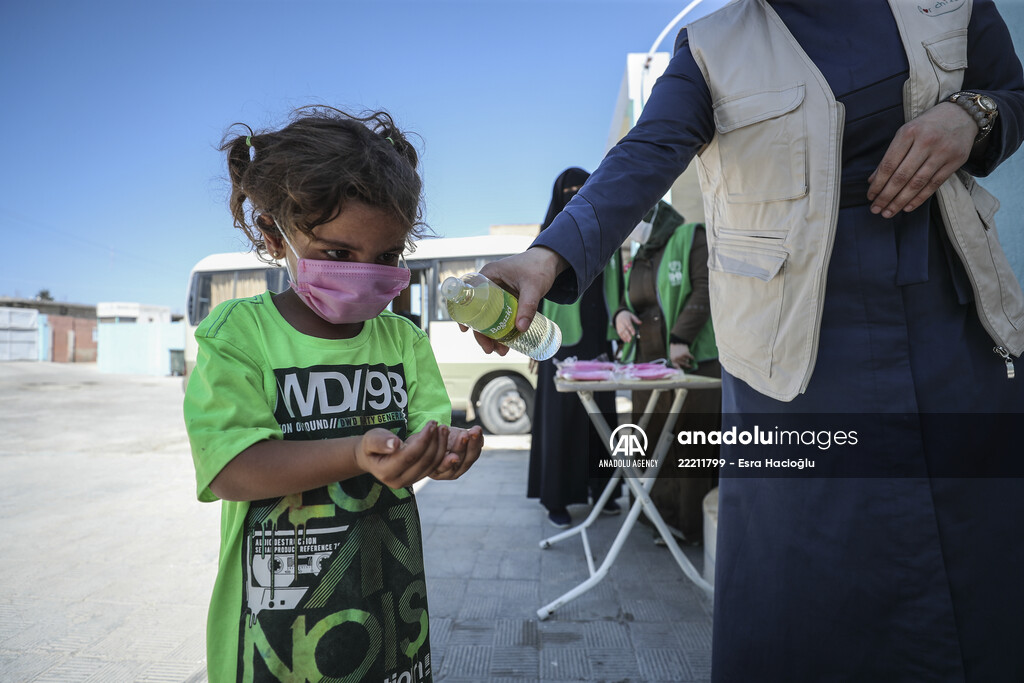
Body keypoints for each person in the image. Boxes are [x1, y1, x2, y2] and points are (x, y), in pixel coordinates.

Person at [472, 2, 1024, 680]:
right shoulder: (709, 46)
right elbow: (641, 156)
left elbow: (1012, 93)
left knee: (981, 569)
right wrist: (547, 256)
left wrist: (976, 116)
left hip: (955, 338)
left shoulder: (951, 4)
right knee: (803, 595)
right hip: (794, 366)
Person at [183, 106, 483, 683]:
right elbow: (229, 469)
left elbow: (425, 436)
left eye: (388, 258)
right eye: (338, 254)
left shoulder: (403, 338)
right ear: (276, 235)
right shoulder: (239, 336)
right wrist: (353, 453)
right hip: (275, 631)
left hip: (389, 609)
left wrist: (440, 456)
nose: (366, 273)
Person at [614, 199, 720, 544]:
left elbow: (707, 287)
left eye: (637, 221)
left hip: (688, 360)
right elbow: (628, 300)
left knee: (692, 445)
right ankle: (658, 519)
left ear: (654, 217)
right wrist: (620, 315)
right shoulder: (639, 256)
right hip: (647, 365)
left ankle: (692, 527)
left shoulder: (691, 237)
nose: (633, 230)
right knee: (651, 441)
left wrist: (680, 336)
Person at [526, 167, 623, 528]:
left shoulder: (604, 232)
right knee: (562, 422)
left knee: (602, 419)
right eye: (568, 189)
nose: (574, 193)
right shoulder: (546, 239)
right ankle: (558, 500)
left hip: (598, 340)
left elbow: (617, 284)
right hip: (557, 344)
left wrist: (619, 322)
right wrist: (534, 343)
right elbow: (535, 298)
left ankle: (605, 492)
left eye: (582, 188)